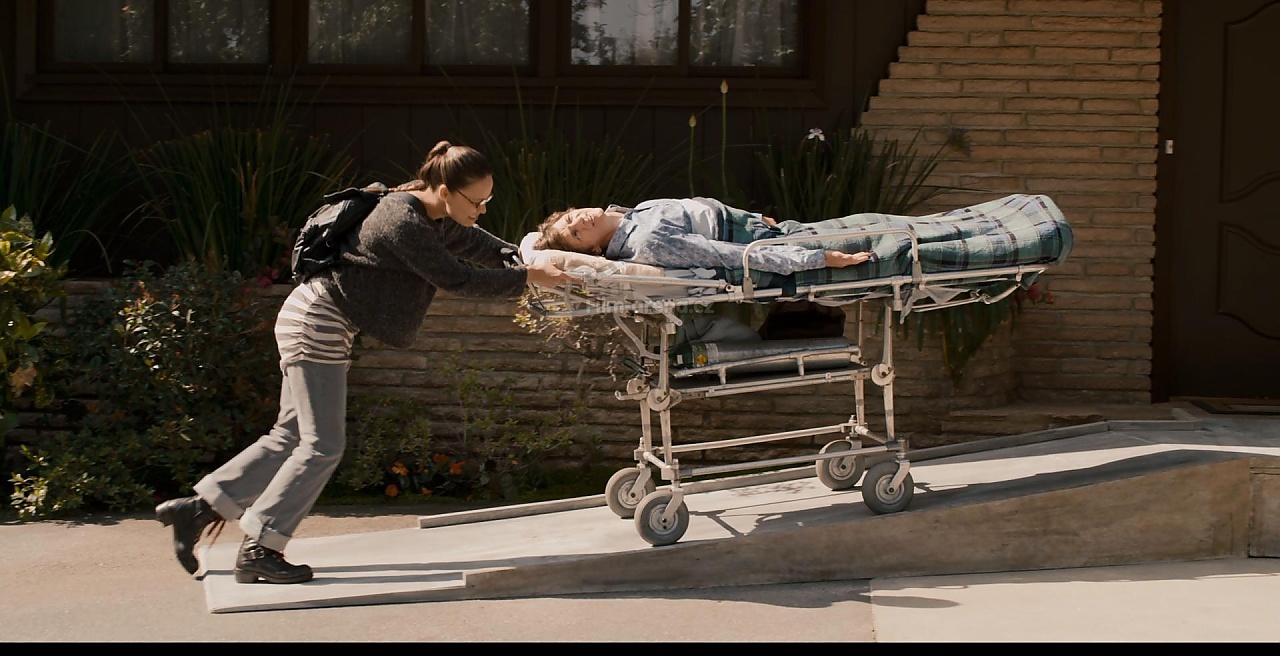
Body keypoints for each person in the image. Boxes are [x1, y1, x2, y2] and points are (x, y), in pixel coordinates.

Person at [154, 140, 574, 585]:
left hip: (317, 319)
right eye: (477, 201)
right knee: (322, 445)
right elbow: (458, 278)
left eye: (488, 200)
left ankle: (199, 510)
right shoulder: (402, 220)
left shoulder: (429, 211)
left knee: (290, 435)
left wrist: (514, 255)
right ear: (445, 191)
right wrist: (528, 276)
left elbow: (469, 239)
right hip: (317, 323)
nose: (483, 209)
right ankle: (261, 547)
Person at [533, 196, 873, 277]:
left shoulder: (631, 214)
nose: (579, 222)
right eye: (575, 234)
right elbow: (725, 254)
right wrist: (818, 258)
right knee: (882, 236)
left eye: (570, 218)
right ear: (593, 249)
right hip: (771, 246)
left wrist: (754, 217)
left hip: (767, 228)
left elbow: (697, 208)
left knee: (873, 224)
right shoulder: (646, 242)